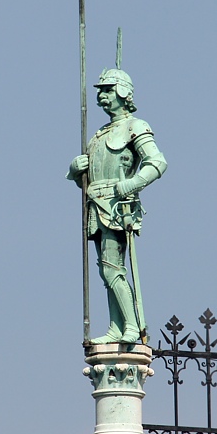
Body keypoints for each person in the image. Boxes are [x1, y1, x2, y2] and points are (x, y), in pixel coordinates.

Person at [68, 68, 167, 344]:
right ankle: (117, 326)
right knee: (106, 270)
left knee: (113, 268)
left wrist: (132, 183)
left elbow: (157, 162)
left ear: (123, 92)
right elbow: (89, 180)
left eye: (107, 90)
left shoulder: (135, 126)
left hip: (117, 207)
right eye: (100, 91)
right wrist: (77, 170)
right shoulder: (99, 134)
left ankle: (132, 327)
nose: (102, 96)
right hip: (96, 206)